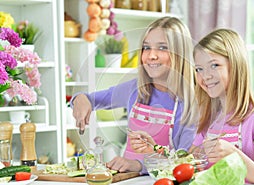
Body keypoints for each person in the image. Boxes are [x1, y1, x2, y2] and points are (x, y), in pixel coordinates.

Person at [71, 16, 198, 174]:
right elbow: (91, 99)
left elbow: (183, 161)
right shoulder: (135, 88)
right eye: (146, 47)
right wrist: (80, 99)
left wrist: (139, 165)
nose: (151, 55)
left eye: (162, 48)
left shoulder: (192, 104)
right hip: (128, 181)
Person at [190, 28, 254, 184]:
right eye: (199, 69)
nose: (205, 76)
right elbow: (188, 164)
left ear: (235, 65)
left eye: (214, 65)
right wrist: (156, 150)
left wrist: (235, 155)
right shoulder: (208, 119)